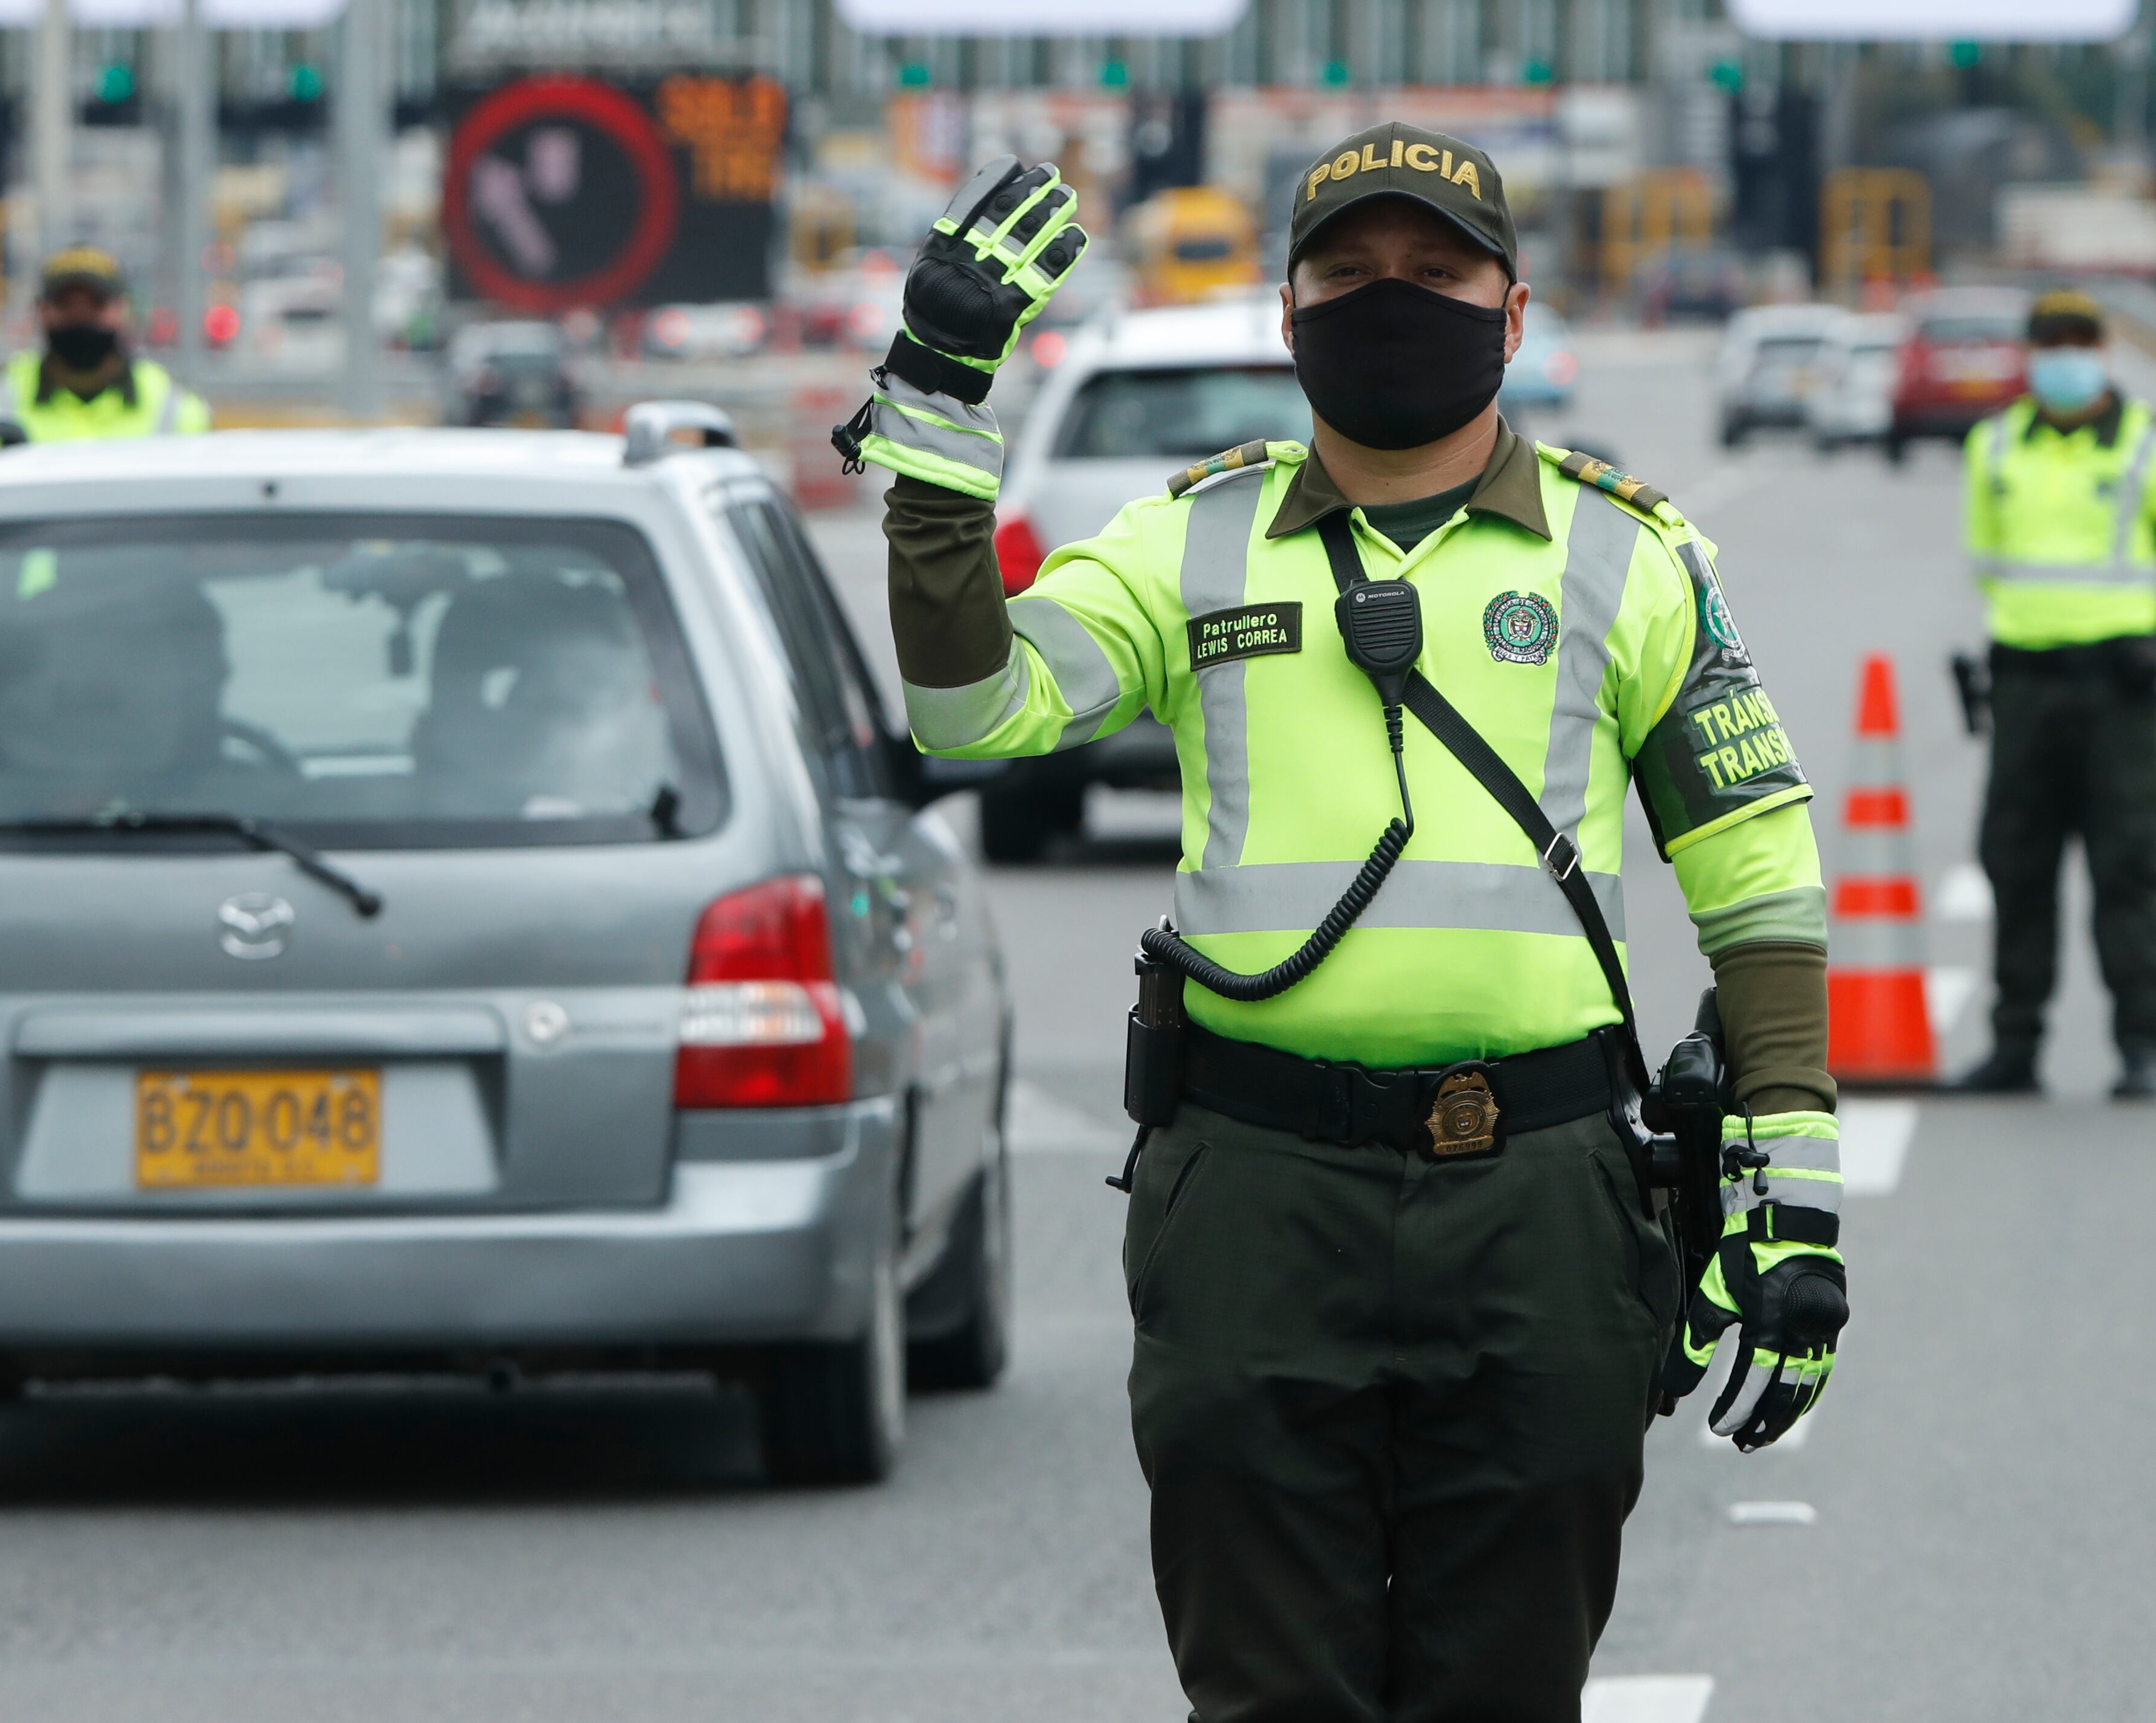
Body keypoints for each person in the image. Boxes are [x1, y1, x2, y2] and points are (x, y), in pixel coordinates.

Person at [840, 131, 1848, 1722]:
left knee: (1505, 1695)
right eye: (1351, 277)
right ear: (1288, 313)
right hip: (1254, 1201)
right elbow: (972, 717)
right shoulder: (1190, 543)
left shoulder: (1630, 555)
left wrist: (1795, 1181)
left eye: (1437, 276)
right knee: (1264, 1697)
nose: (1395, 305)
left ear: (1512, 316)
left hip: (1547, 1206)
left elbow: (1754, 867)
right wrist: (939, 405)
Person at [1955, 286, 2156, 1097]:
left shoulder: (2144, 444)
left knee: (2132, 866)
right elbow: (1988, 560)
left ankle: (2143, 1045)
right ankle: (2015, 1045)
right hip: (2027, 687)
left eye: (2078, 341)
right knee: (2017, 863)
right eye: (2051, 344)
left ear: (2102, 349)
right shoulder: (1994, 447)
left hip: (2125, 688)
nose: (2065, 358)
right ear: (2031, 354)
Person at [0, 245, 211, 442]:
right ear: (40, 311)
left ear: (123, 309)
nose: (80, 316)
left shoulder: (178, 410)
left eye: (96, 304)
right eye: (66, 305)